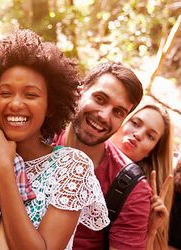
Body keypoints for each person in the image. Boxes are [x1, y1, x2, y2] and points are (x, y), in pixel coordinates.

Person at [0, 29, 109, 249]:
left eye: (30, 95)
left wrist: (3, 170)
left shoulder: (71, 167)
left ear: (50, 106)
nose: (16, 104)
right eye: (5, 93)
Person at [53, 61, 150, 249]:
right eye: (100, 99)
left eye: (118, 112)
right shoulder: (39, 136)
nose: (104, 116)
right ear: (79, 92)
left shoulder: (131, 188)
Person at [110, 104, 174, 250]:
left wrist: (151, 232)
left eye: (150, 136)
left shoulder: (142, 196)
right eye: (135, 123)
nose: (138, 134)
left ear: (150, 152)